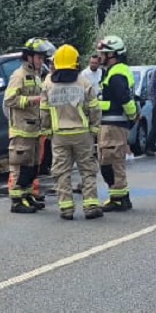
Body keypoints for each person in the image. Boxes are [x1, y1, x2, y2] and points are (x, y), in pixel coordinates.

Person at [40, 44, 104, 220]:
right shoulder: (83, 82)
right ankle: (91, 205)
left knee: (61, 171)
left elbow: (44, 111)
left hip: (59, 135)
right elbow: (94, 108)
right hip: (82, 133)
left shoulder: (48, 83)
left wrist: (47, 131)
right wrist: (94, 128)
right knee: (87, 170)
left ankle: (66, 208)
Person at [4, 37, 52, 214]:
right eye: (39, 58)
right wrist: (33, 100)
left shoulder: (36, 76)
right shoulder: (19, 76)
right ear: (29, 57)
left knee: (31, 166)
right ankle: (17, 200)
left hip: (34, 130)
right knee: (20, 165)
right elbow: (9, 99)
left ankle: (26, 195)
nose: (42, 61)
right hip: (21, 130)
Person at [96, 35, 138, 211]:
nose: (100, 56)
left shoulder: (117, 73)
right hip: (111, 124)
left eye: (103, 53)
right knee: (109, 160)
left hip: (114, 125)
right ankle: (118, 197)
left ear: (112, 54)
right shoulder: (115, 71)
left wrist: (96, 104)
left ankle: (120, 199)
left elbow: (123, 99)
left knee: (113, 161)